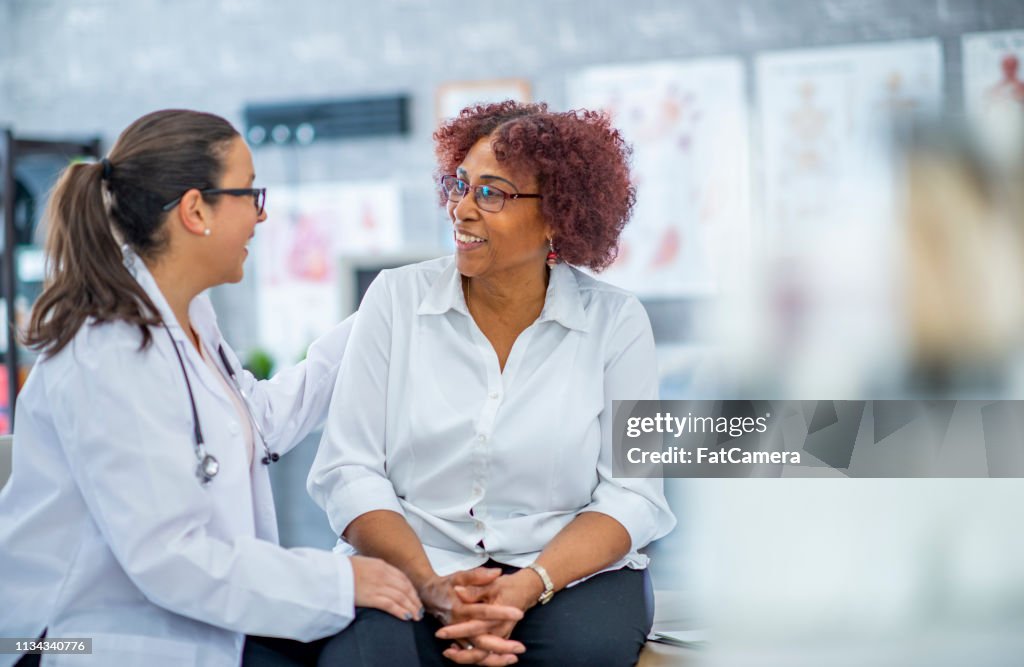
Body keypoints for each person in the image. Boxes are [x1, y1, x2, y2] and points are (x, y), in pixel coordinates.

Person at [0, 109, 424, 667]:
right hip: (76, 638)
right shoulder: (108, 353)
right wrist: (336, 580)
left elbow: (255, 422)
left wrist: (383, 313)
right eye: (250, 193)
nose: (261, 214)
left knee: (379, 637)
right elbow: (170, 558)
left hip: (183, 616)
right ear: (196, 209)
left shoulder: (188, 314)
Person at [308, 101, 676, 666]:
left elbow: (633, 492)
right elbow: (349, 470)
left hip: (562, 572)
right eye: (460, 185)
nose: (461, 209)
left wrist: (526, 587)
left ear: (559, 215)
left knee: (584, 653)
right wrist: (432, 587)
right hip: (414, 560)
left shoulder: (615, 321)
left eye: (492, 193)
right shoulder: (394, 299)